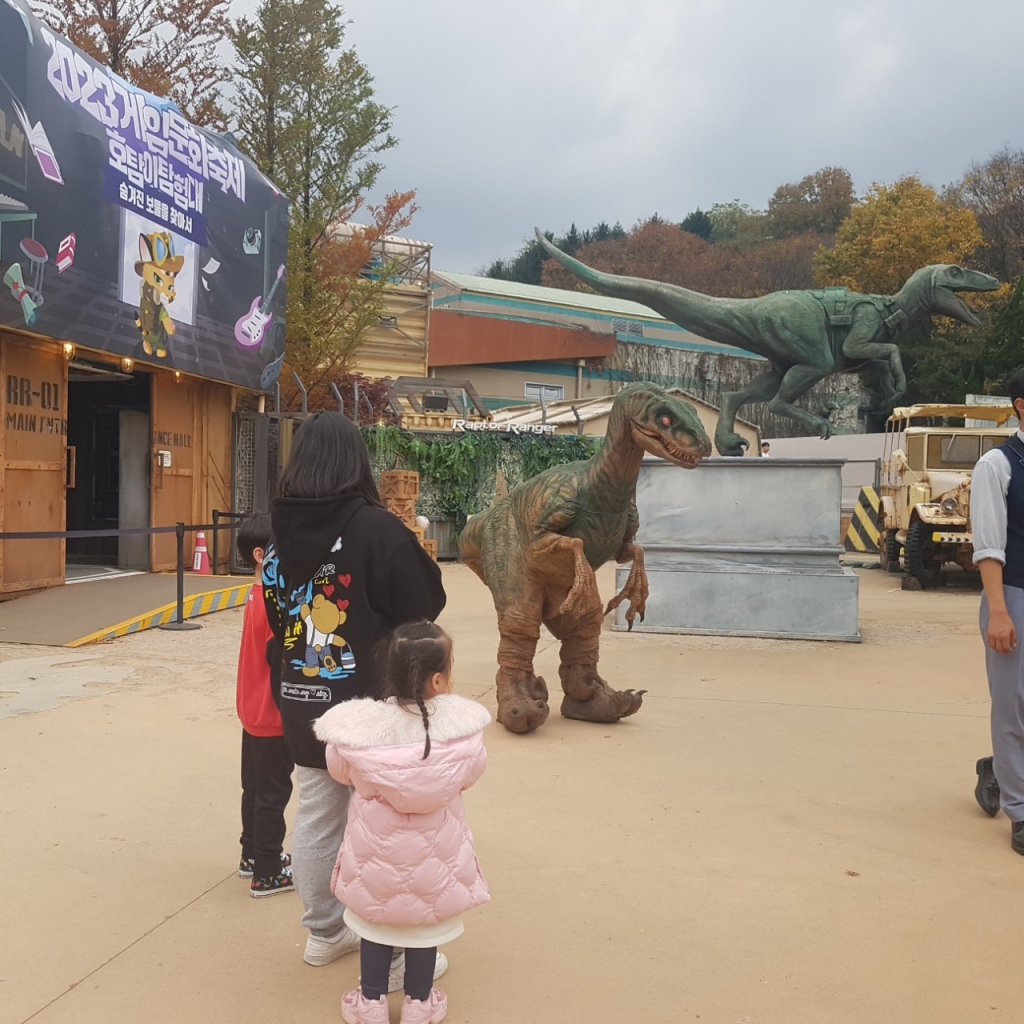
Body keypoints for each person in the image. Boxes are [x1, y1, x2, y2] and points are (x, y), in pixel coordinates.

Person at [261, 411, 448, 987]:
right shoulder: (378, 529)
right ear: (356, 462)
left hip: (300, 696)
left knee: (317, 815)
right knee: (386, 827)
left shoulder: (276, 530)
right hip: (369, 705)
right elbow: (426, 605)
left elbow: (274, 610)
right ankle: (393, 953)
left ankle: (324, 931)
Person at [313, 621, 491, 1024]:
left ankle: (371, 1003)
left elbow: (339, 769)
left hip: (375, 858)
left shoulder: (360, 732)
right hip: (436, 861)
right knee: (424, 928)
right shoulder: (460, 735)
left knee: (375, 924)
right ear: (440, 678)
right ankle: (419, 1004)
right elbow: (472, 772)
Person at [971, 367, 1024, 854]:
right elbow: (989, 545)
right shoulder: (998, 465)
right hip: (1013, 593)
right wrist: (1001, 612)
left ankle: (997, 767)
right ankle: (1020, 811)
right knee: (1013, 705)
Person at [235, 512, 294, 897]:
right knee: (274, 794)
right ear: (261, 555)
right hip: (272, 716)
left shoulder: (254, 598)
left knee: (254, 789)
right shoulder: (273, 606)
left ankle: (251, 854)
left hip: (251, 712)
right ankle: (268, 871)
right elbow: (279, 665)